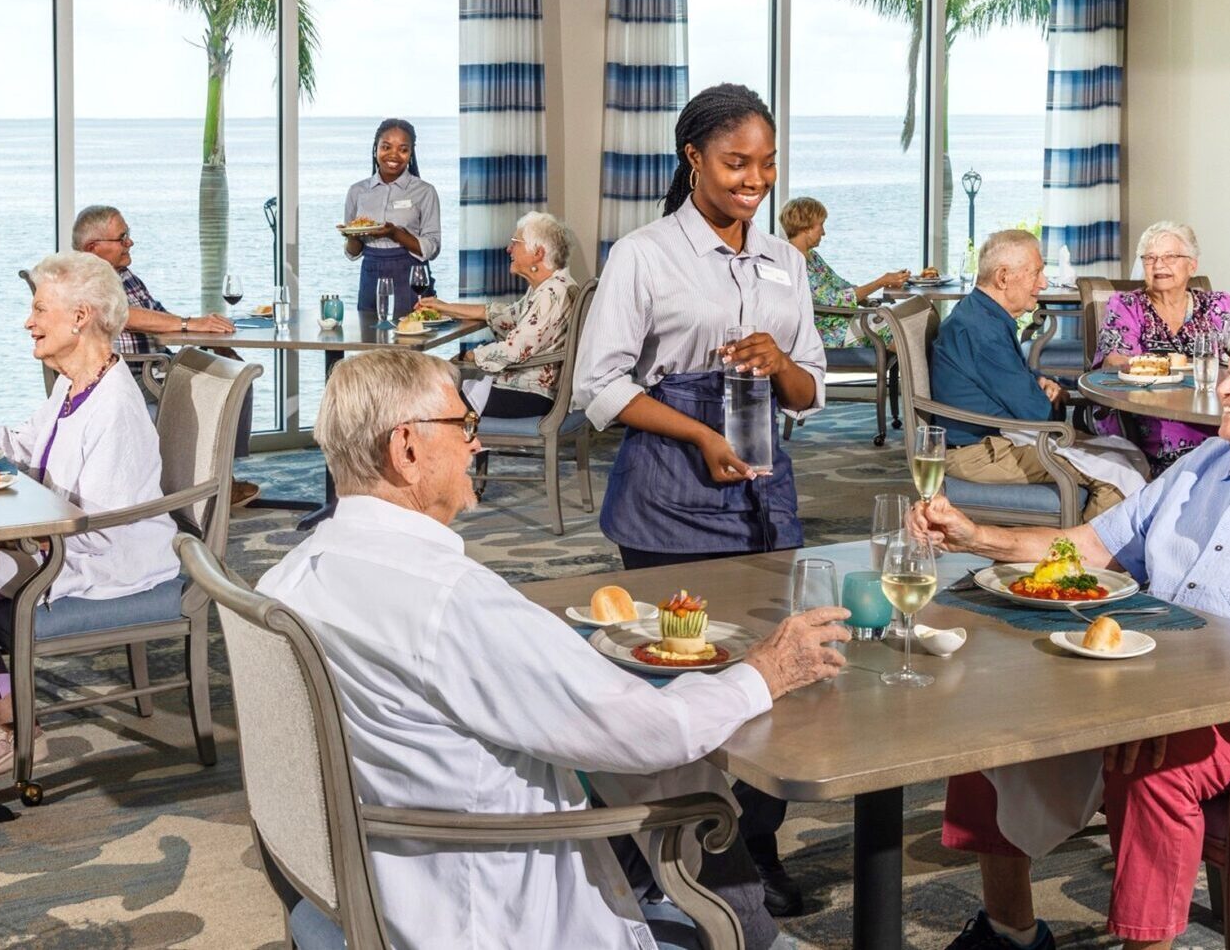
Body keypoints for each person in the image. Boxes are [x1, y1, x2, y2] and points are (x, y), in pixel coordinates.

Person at [260, 348, 849, 950]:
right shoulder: (451, 601)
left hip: (380, 876)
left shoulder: (286, 578)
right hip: (487, 905)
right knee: (689, 779)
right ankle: (753, 940)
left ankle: (751, 931)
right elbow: (653, 731)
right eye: (464, 427)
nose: (477, 445)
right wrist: (764, 672)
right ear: (406, 449)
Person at [912, 324, 1230, 950]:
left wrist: (1190, 702)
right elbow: (1092, 548)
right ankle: (1009, 930)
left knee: (1158, 763)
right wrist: (975, 536)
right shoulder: (1206, 463)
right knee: (998, 712)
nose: (1223, 387)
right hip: (1157, 685)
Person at [571, 82, 825, 913]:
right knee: (678, 669)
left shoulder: (787, 263)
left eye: (766, 162)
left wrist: (778, 362)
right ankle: (662, 851)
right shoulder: (644, 254)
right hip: (669, 485)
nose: (755, 178)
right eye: (736, 161)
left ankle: (753, 847)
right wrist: (698, 436)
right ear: (694, 159)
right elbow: (599, 387)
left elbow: (810, 387)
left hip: (762, 485)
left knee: (774, 669)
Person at [0, 251, 177, 780]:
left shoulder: (113, 407)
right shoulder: (74, 387)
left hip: (98, 552)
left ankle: (11, 726)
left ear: (80, 317)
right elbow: (23, 447)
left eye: (39, 308)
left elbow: (90, 520)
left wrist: (3, 526)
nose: (28, 321)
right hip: (59, 537)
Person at [932, 229, 1138, 517]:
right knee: (1116, 478)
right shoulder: (981, 331)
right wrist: (1055, 398)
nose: (1043, 283)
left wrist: (1040, 382)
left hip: (997, 439)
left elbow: (1011, 383)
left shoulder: (979, 315)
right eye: (1036, 273)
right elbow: (1038, 415)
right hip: (981, 452)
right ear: (1003, 277)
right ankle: (1077, 557)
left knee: (1127, 453)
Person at [71, 204, 258, 506]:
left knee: (234, 371)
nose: (130, 242)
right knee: (223, 384)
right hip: (135, 374)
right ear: (94, 247)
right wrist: (189, 324)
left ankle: (221, 474)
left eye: (127, 235)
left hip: (160, 365)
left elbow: (157, 317)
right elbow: (123, 315)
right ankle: (215, 485)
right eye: (122, 237)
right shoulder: (84, 279)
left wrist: (203, 332)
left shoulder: (124, 274)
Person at [1092, 221, 1230, 472]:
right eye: (1150, 258)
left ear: (1192, 265)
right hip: (1151, 413)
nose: (1159, 265)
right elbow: (1115, 360)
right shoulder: (1128, 305)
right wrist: (1162, 371)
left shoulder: (1220, 304)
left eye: (1170, 256)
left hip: (1216, 411)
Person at [414, 210, 577, 418]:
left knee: (434, 399)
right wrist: (443, 306)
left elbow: (514, 350)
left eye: (515, 243)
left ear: (538, 253)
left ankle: (460, 448)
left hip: (532, 395)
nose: (509, 249)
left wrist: (469, 356)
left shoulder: (550, 294)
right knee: (449, 388)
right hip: (536, 389)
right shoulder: (553, 287)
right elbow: (502, 314)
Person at [777, 196, 908, 348]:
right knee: (897, 329)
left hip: (844, 321)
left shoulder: (812, 256)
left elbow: (841, 286)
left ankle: (914, 370)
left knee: (904, 323)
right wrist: (880, 282)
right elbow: (836, 299)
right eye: (821, 225)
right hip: (829, 331)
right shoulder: (792, 262)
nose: (824, 232)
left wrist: (868, 301)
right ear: (807, 228)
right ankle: (915, 370)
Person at [343, 118, 441, 312]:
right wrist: (352, 236)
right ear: (375, 149)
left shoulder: (425, 191)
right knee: (369, 339)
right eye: (386, 147)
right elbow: (352, 252)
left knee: (409, 337)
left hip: (411, 276)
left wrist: (395, 234)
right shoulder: (357, 192)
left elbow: (433, 248)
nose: (393, 155)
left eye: (403, 149)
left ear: (411, 153)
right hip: (370, 276)